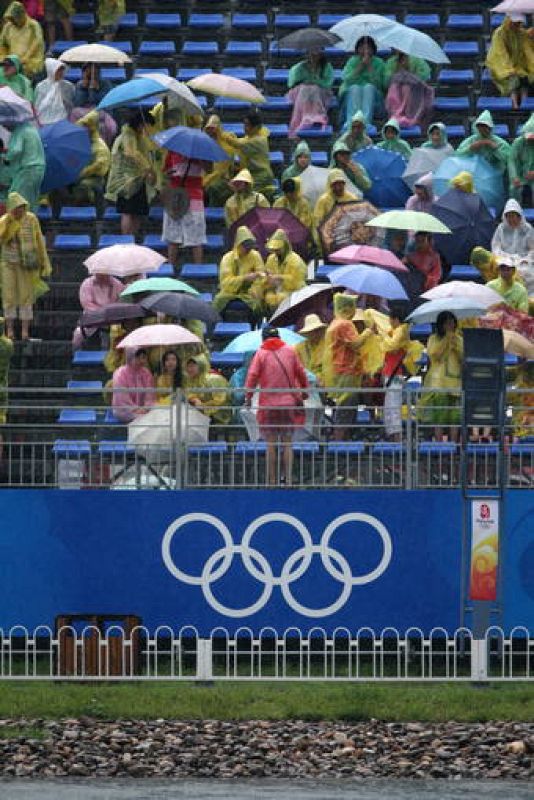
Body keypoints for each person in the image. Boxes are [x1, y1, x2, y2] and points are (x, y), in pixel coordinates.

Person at [245, 326, 308, 485]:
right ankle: (287, 479)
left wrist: (248, 397)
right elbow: (301, 372)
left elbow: (252, 377)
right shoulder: (290, 351)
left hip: (268, 405)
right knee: (287, 442)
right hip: (288, 404)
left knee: (271, 443)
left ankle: (271, 481)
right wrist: (305, 391)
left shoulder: (261, 353)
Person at [0, 192, 51, 340]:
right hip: (7, 263)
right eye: (16, 207)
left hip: (27, 264)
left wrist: (44, 262)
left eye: (21, 207)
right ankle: (9, 330)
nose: (19, 210)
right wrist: (10, 224)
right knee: (8, 296)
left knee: (26, 297)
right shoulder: (4, 220)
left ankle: (24, 331)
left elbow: (39, 240)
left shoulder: (31, 219)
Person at [323, 293, 374, 440]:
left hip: (339, 372)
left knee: (345, 410)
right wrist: (369, 331)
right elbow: (356, 344)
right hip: (347, 373)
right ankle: (339, 445)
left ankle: (343, 444)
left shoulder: (334, 323)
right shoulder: (345, 324)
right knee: (346, 410)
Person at [105, 111, 157, 236]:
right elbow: (131, 152)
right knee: (128, 211)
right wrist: (147, 168)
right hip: (126, 181)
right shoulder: (127, 135)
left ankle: (134, 237)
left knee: (138, 212)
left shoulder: (139, 136)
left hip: (139, 179)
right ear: (140, 124)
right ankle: (127, 238)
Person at [419, 311, 463, 442]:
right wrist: (446, 340)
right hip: (439, 383)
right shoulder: (433, 338)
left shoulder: (459, 339)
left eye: (452, 323)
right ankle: (440, 447)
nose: (450, 326)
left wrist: (455, 345)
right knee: (439, 416)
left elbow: (464, 357)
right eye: (447, 323)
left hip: (455, 383)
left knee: (454, 418)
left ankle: (454, 445)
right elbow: (434, 354)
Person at [161, 149, 208, 267]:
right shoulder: (172, 151)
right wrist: (170, 174)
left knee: (196, 234)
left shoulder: (201, 152)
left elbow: (209, 169)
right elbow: (165, 171)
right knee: (172, 233)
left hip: (194, 196)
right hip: (175, 195)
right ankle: (171, 267)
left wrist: (199, 159)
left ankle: (198, 268)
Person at [213, 225, 266, 322]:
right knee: (218, 301)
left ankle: (255, 325)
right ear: (239, 245)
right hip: (229, 292)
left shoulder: (255, 256)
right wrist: (244, 278)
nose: (249, 249)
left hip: (249, 292)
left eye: (250, 247)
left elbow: (261, 276)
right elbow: (225, 282)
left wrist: (256, 289)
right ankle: (215, 323)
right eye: (247, 247)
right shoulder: (228, 258)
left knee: (259, 304)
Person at [486, 13, 534, 110]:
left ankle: (524, 103)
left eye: (519, 23)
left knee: (525, 77)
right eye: (515, 22)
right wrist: (508, 68)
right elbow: (500, 53)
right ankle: (514, 104)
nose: (517, 25)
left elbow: (527, 50)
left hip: (518, 64)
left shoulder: (521, 33)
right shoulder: (500, 33)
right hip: (500, 65)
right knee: (512, 79)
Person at [287, 46, 334, 139]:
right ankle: (301, 120)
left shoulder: (327, 67)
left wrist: (315, 81)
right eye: (311, 52)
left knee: (314, 88)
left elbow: (327, 83)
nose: (313, 55)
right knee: (306, 88)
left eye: (316, 52)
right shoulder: (299, 67)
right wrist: (306, 81)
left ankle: (316, 116)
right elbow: (291, 83)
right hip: (300, 92)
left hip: (321, 93)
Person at [338, 36, 386, 128]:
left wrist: (369, 67)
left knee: (369, 87)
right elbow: (347, 80)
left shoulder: (379, 63)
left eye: (368, 48)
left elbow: (381, 84)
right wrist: (360, 67)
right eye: (362, 47)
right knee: (355, 88)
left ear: (373, 49)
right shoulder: (352, 61)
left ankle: (365, 122)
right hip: (352, 97)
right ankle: (352, 121)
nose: (365, 50)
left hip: (374, 100)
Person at [262, 229, 307, 316]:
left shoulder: (295, 260)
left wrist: (280, 278)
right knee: (267, 297)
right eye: (274, 250)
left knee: (281, 297)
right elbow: (266, 276)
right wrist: (268, 280)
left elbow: (298, 282)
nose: (276, 252)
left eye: (278, 249)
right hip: (276, 290)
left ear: (285, 247)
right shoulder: (271, 259)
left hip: (294, 292)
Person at [381, 306, 410, 441]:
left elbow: (391, 346)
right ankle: (393, 437)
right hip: (390, 373)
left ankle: (397, 439)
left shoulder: (401, 331)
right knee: (389, 407)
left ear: (395, 319)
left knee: (393, 407)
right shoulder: (396, 331)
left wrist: (383, 334)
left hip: (394, 374)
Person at [384, 50, 433, 129]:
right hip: (397, 88)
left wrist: (409, 72)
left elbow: (425, 76)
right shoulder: (391, 62)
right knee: (394, 87)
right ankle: (396, 115)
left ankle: (410, 116)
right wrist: (398, 70)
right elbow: (386, 81)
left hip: (415, 89)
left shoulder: (418, 60)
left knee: (406, 88)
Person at [234, 111, 276, 202]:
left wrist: (223, 135)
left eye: (248, 125)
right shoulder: (249, 137)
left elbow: (237, 143)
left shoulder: (259, 140)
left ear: (257, 127)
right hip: (251, 173)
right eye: (244, 125)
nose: (245, 128)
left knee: (247, 195)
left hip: (261, 175)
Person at [4, 121, 45, 212]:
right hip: (38, 168)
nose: (5, 127)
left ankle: (20, 225)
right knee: (31, 199)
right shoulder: (31, 129)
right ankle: (31, 223)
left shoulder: (19, 131)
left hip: (27, 168)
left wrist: (7, 159)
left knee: (17, 199)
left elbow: (16, 150)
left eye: (4, 124)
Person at [72, 110, 111, 205]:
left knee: (83, 187)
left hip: (95, 179)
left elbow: (99, 166)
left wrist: (82, 173)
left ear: (91, 128)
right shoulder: (84, 143)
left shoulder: (100, 146)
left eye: (85, 127)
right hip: (79, 177)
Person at [183, 355, 231, 429]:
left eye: (192, 366)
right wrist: (194, 399)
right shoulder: (191, 380)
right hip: (200, 413)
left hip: (218, 415)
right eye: (188, 366)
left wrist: (203, 407)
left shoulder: (214, 379)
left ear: (201, 366)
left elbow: (220, 400)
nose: (189, 369)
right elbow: (187, 393)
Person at [203, 114, 239, 208]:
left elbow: (219, 172)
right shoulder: (205, 144)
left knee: (213, 188)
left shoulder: (226, 147)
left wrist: (203, 182)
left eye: (212, 128)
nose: (210, 131)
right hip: (207, 179)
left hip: (222, 180)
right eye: (208, 128)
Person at [0, 2, 44, 78]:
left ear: (21, 15)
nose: (12, 21)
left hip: (30, 62)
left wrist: (23, 59)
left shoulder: (33, 25)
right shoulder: (8, 26)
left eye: (14, 18)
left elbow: (37, 43)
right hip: (11, 62)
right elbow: (3, 44)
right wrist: (3, 57)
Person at [112, 348, 154, 423]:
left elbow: (149, 394)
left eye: (143, 357)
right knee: (145, 419)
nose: (141, 361)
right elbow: (122, 398)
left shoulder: (146, 373)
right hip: (125, 410)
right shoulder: (120, 374)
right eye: (138, 358)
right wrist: (135, 409)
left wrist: (146, 407)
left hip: (144, 409)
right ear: (130, 358)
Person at [34, 57, 75, 125]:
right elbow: (37, 105)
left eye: (62, 70)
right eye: (58, 70)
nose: (61, 73)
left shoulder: (68, 85)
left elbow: (71, 104)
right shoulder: (41, 86)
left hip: (63, 117)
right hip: (44, 117)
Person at [294, 313, 327, 385]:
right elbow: (298, 368)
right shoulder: (299, 348)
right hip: (309, 384)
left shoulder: (328, 344)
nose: (315, 334)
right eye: (312, 331)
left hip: (327, 383)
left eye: (317, 330)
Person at [508, 114, 534, 205]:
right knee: (513, 188)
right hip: (521, 175)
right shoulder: (518, 142)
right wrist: (514, 177)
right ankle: (515, 211)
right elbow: (512, 161)